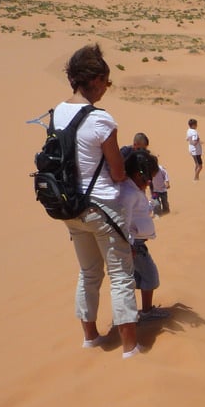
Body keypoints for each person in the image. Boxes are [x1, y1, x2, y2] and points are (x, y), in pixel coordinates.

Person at [56, 43, 141, 359]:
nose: (107, 87)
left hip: (70, 207)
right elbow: (118, 173)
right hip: (103, 207)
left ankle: (90, 337)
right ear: (93, 79)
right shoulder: (101, 119)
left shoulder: (57, 113)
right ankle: (130, 346)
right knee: (121, 275)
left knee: (89, 272)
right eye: (106, 80)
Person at [119, 150, 169, 321]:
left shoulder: (134, 190)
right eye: (146, 178)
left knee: (140, 277)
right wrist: (130, 243)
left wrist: (150, 206)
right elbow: (123, 222)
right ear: (136, 173)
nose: (148, 182)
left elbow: (138, 211)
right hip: (135, 246)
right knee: (150, 276)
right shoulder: (129, 193)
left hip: (137, 244)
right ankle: (145, 312)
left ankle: (142, 311)